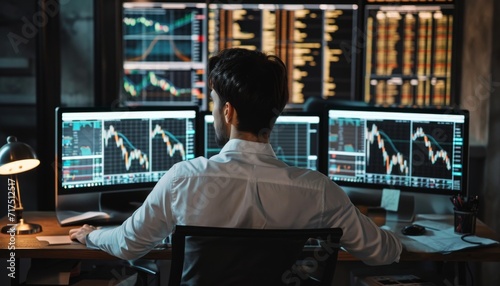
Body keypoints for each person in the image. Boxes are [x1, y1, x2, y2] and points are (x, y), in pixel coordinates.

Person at [70, 47, 401, 270]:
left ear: (227, 111)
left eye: (213, 101)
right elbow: (382, 252)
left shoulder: (183, 180)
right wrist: (404, 237)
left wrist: (91, 235)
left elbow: (128, 245)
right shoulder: (319, 190)